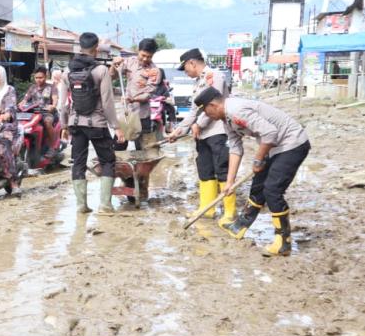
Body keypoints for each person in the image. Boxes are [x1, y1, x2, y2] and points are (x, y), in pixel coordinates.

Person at [194, 87, 311, 257]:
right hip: (274, 147)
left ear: (213, 105)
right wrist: (229, 182)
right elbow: (235, 148)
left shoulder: (236, 110)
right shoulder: (226, 119)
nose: (206, 116)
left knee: (272, 190)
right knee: (258, 185)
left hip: (292, 144)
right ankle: (240, 225)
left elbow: (270, 133)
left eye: (206, 111)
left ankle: (283, 242)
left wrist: (258, 159)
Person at [58, 32, 125, 214]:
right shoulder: (101, 70)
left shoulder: (67, 72)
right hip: (97, 124)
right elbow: (108, 102)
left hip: (75, 124)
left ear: (79, 47)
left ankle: (81, 206)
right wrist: (117, 127)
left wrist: (64, 126)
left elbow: (62, 104)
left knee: (78, 162)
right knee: (108, 160)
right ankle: (105, 205)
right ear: (96, 49)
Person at [168, 48, 235, 224]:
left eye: (185, 68)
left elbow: (213, 105)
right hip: (203, 134)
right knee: (205, 170)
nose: (186, 72)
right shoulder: (197, 82)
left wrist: (198, 124)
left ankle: (229, 212)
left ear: (192, 62)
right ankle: (208, 209)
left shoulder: (214, 76)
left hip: (219, 131)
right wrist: (180, 130)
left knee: (222, 170)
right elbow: (194, 111)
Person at [112, 38, 161, 151]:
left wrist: (132, 99)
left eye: (149, 56)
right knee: (117, 147)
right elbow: (112, 75)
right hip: (126, 114)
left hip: (143, 116)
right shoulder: (129, 62)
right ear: (138, 51)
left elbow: (148, 95)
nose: (145, 59)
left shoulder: (154, 71)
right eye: (143, 55)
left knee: (145, 151)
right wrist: (114, 65)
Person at [19, 66, 60, 164]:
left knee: (47, 122)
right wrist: (20, 104)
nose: (38, 80)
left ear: (45, 77)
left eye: (41, 77)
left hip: (47, 113)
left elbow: (55, 99)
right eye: (36, 78)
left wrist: (52, 106)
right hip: (33, 114)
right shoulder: (32, 88)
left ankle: (52, 147)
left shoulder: (51, 87)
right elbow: (24, 100)